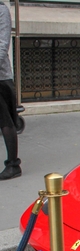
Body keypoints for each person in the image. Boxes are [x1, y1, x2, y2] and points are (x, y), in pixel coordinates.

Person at [0, 1, 20, 180]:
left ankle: (13, 164)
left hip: (0, 78)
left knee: (5, 121)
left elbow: (2, 44)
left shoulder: (1, 10)